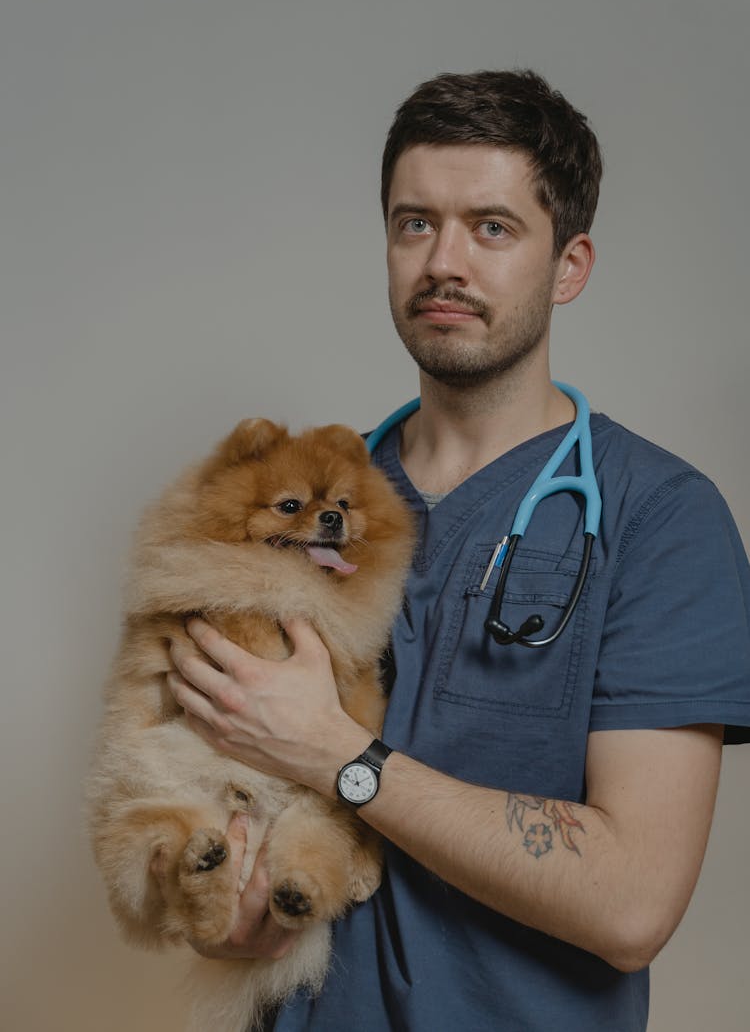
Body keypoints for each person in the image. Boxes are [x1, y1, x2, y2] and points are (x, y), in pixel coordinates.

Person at [167, 70, 750, 1031]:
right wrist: (229, 905)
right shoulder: (303, 502)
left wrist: (335, 753)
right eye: (413, 223)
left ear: (570, 264)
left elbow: (633, 904)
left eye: (491, 227)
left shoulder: (660, 519)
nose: (444, 262)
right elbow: (219, 846)